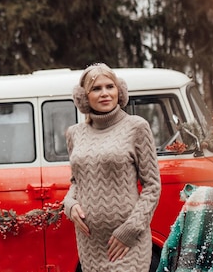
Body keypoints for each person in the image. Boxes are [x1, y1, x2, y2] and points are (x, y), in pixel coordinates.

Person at [63, 63, 161, 272]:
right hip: (90, 244)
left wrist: (129, 230)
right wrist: (70, 204)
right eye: (96, 89)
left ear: (120, 91)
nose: (105, 93)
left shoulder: (136, 127)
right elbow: (76, 181)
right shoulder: (74, 133)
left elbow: (152, 186)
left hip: (127, 242)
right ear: (84, 97)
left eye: (110, 86)